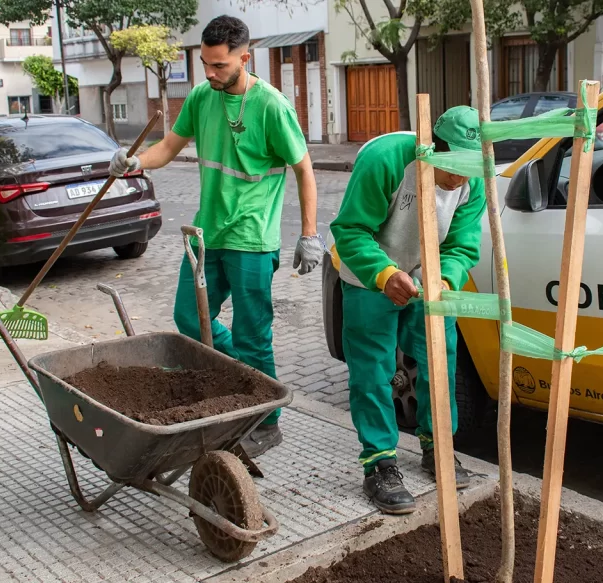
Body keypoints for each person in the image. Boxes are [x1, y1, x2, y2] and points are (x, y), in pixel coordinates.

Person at [109, 16, 324, 458]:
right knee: (190, 319)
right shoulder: (202, 97)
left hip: (251, 238)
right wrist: (136, 163)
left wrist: (308, 234)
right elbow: (168, 147)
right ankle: (239, 375)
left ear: (245, 58)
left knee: (253, 337)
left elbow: (304, 170)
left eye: (219, 65)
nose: (209, 73)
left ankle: (267, 420)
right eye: (205, 63)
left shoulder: (271, 106)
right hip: (206, 236)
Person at [330, 106, 486, 514]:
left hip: (429, 278)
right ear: (433, 148)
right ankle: (379, 463)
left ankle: (438, 447)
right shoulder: (385, 159)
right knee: (374, 370)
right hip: (370, 276)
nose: (460, 179)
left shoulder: (473, 180)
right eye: (453, 166)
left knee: (440, 361)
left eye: (469, 168)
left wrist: (446, 278)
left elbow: (462, 244)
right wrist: (384, 274)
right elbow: (350, 229)